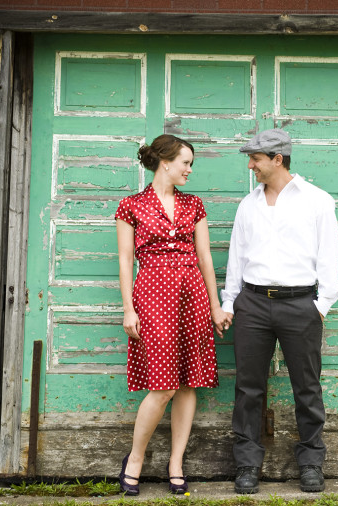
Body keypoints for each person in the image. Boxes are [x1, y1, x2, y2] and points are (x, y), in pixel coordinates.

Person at [221, 128, 338, 494]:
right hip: (253, 304)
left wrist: (320, 305)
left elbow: (329, 255)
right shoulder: (248, 204)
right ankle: (246, 466)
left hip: (300, 304)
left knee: (306, 387)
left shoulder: (317, 201)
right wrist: (230, 302)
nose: (250, 164)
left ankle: (310, 463)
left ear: (278, 159)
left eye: (256, 158)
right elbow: (236, 257)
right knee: (248, 388)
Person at [115, 134, 231, 496]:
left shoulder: (194, 205)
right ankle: (135, 459)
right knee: (162, 385)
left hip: (191, 295)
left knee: (187, 381)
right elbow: (124, 260)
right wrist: (128, 309)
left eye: (191, 164)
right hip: (151, 295)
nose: (189, 170)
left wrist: (214, 304)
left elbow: (205, 258)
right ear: (165, 162)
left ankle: (176, 463)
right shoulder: (131, 206)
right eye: (185, 162)